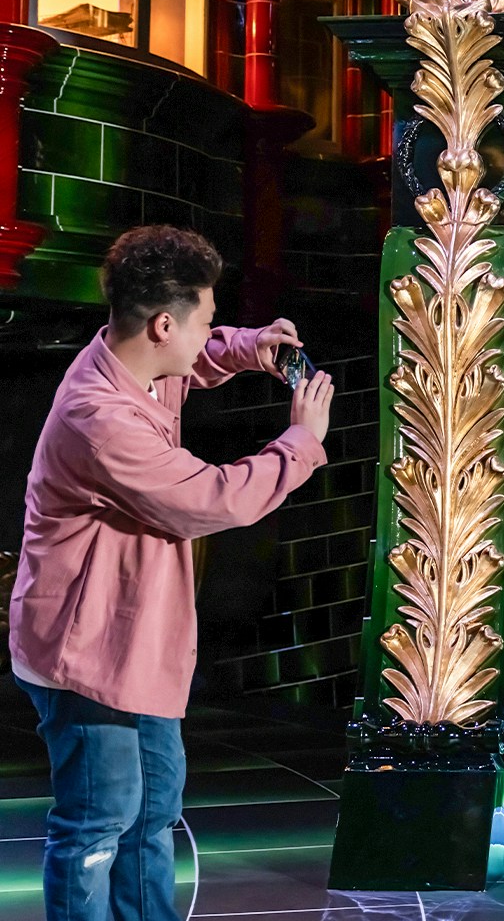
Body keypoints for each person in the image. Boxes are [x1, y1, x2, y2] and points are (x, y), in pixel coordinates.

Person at [8, 225, 334, 921]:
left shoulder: (141, 363)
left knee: (153, 812)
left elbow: (200, 354)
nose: (211, 333)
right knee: (99, 823)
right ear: (162, 324)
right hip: (86, 656)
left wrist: (254, 347)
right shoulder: (100, 417)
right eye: (207, 318)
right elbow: (209, 500)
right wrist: (301, 441)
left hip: (142, 648)